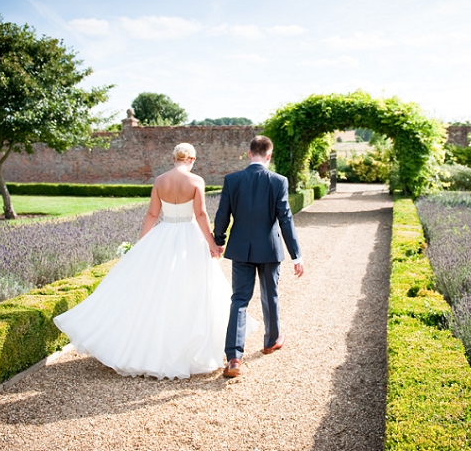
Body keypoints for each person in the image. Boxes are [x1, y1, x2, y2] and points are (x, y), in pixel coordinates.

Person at [53, 143, 248, 379]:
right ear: (192, 159)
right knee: (191, 290)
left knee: (157, 291)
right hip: (189, 237)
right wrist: (212, 244)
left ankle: (150, 348)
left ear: (174, 158)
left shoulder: (159, 181)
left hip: (163, 234)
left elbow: (152, 214)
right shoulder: (196, 181)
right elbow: (200, 214)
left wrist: (141, 244)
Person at [213, 135, 304, 378]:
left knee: (239, 300)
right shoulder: (279, 181)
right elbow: (285, 218)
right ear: (269, 155)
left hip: (241, 249)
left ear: (249, 153)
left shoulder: (232, 180)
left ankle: (233, 357)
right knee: (270, 294)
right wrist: (296, 255)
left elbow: (223, 214)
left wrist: (218, 240)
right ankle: (271, 341)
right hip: (269, 249)